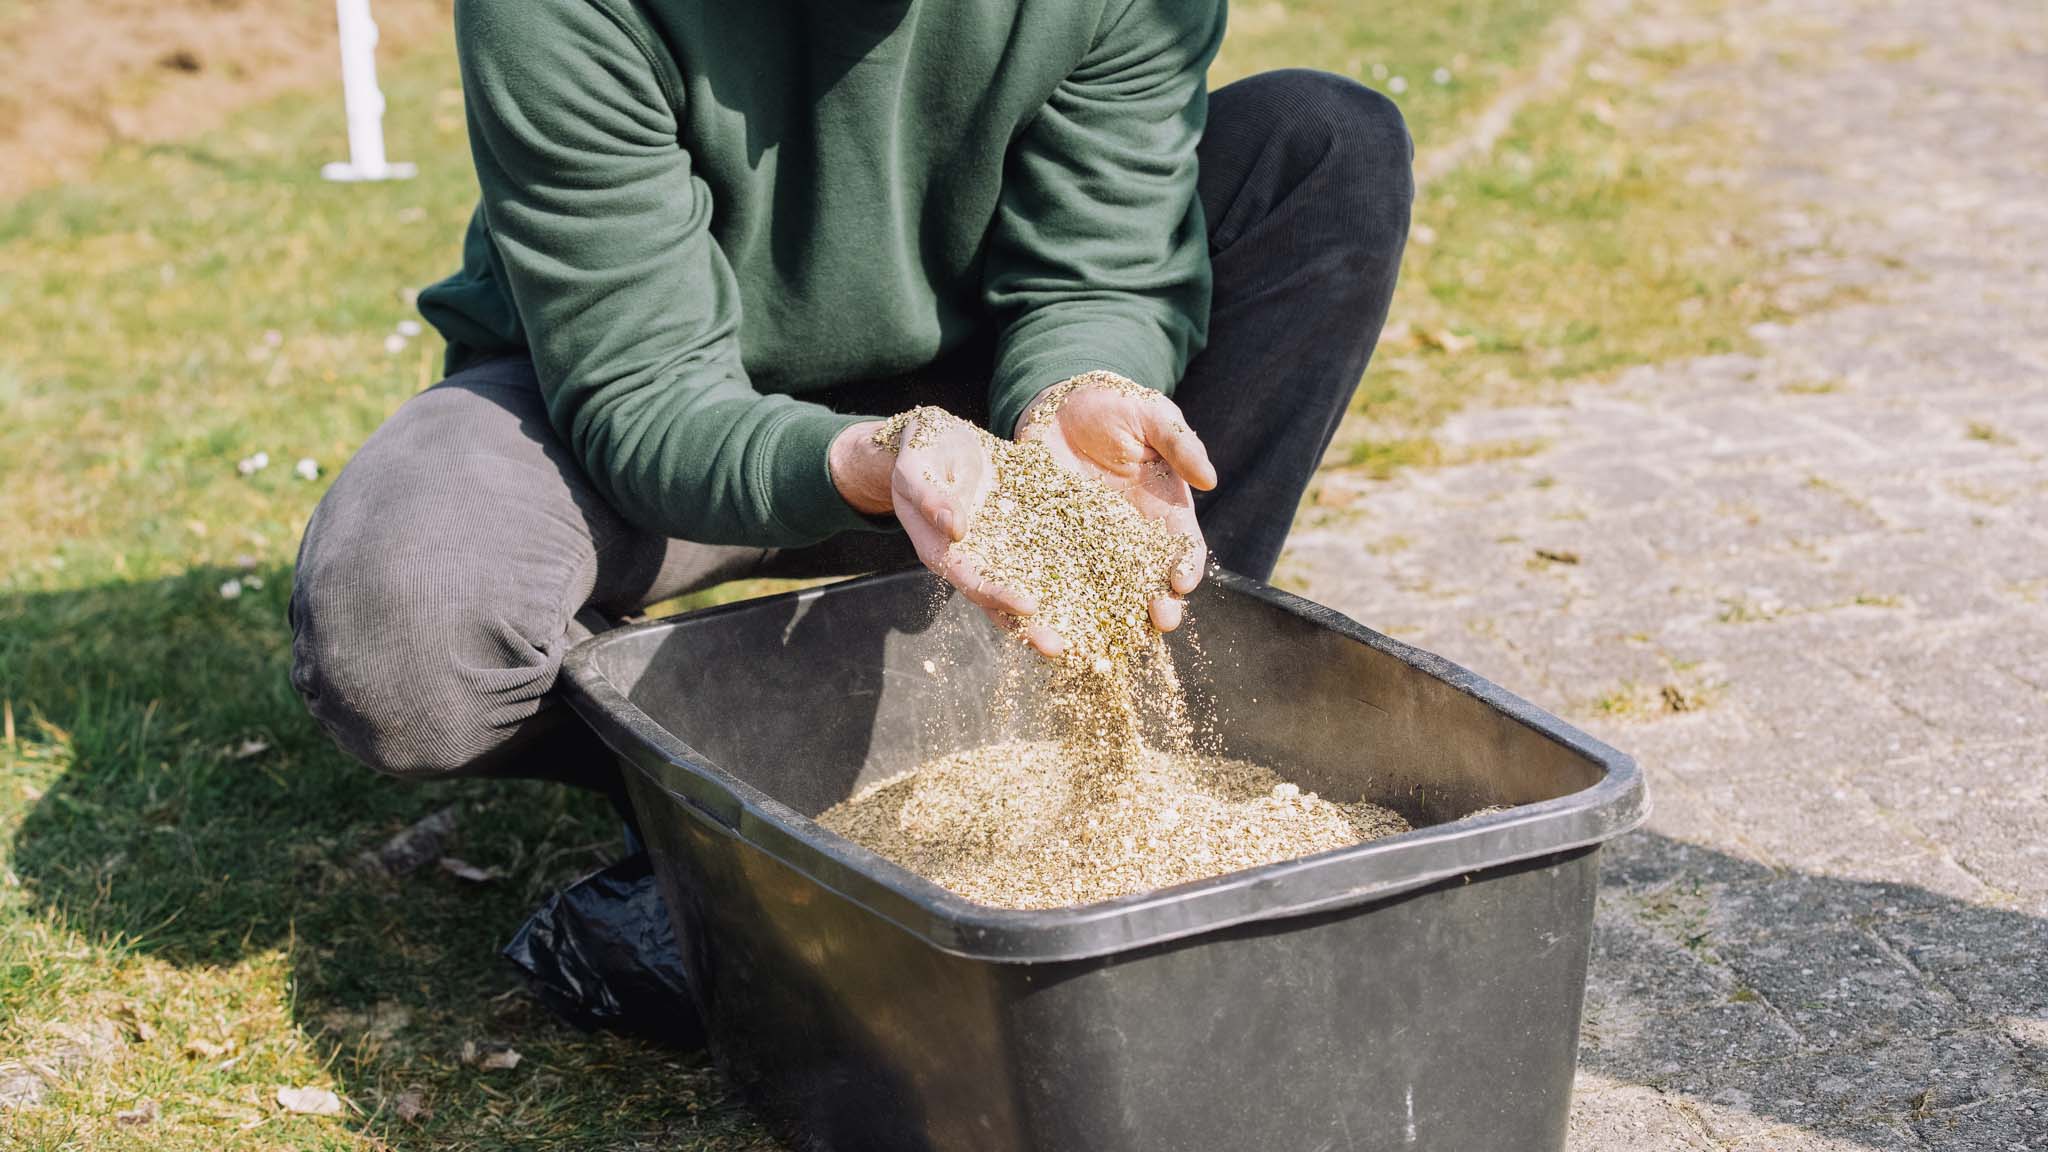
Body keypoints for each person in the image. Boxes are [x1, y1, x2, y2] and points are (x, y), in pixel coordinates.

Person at [289, 0, 1412, 787]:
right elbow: (642, 389)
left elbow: (1104, 267)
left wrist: (1075, 387)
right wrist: (873, 461)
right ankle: (748, 802)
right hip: (631, 408)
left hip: (962, 400)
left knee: (1326, 143)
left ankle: (1121, 709)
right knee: (405, 644)